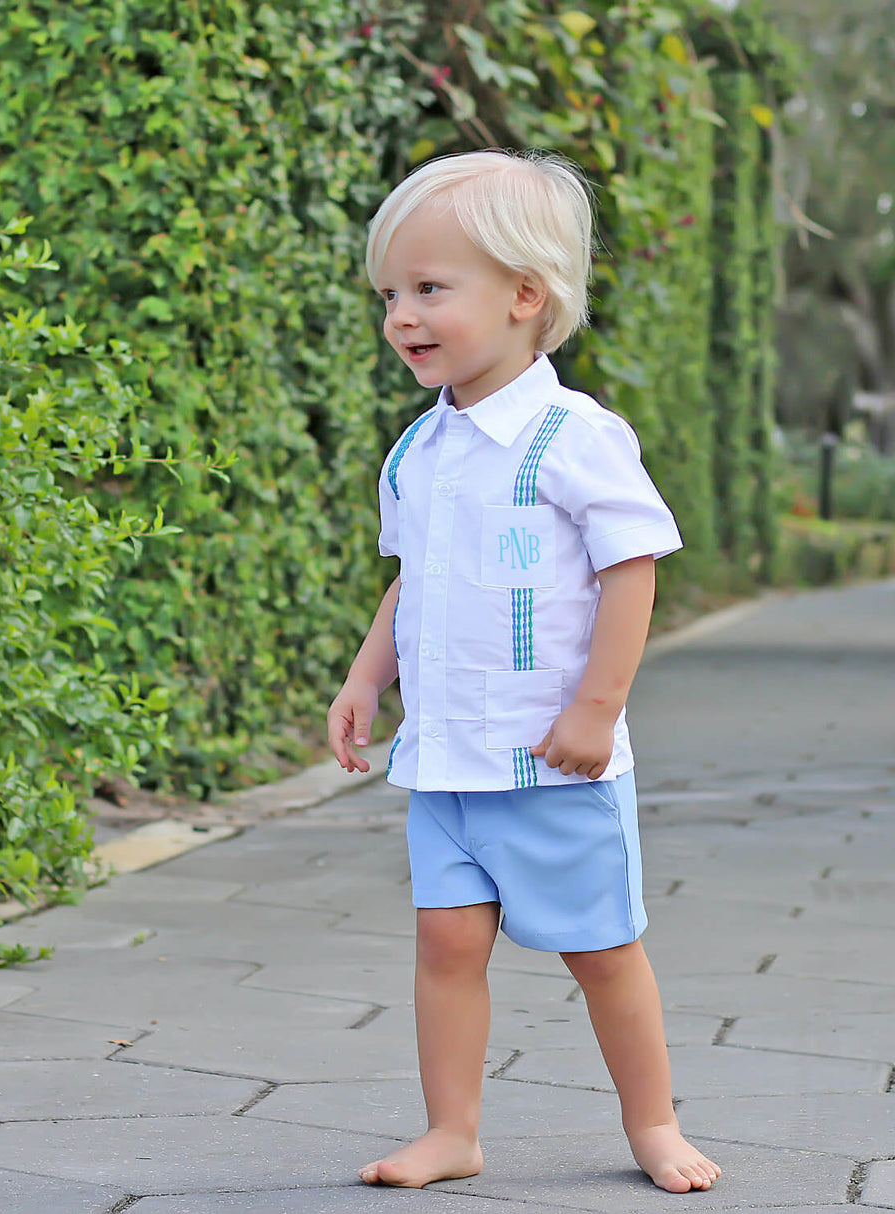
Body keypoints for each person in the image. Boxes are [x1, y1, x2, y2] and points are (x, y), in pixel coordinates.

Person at [326, 148, 720, 1195]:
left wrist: (597, 707)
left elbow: (629, 569)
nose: (400, 315)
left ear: (523, 296)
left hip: (556, 762)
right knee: (446, 944)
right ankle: (451, 1128)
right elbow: (411, 580)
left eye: (427, 288)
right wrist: (367, 678)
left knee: (601, 949)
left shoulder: (570, 435)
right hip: (447, 759)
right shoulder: (418, 449)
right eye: (389, 294)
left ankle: (652, 1121)